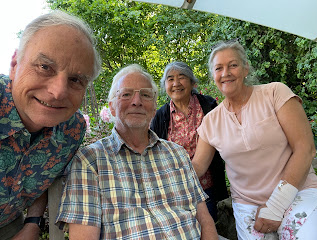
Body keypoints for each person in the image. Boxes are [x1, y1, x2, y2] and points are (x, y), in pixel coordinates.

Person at [56, 64, 218, 240]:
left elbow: (205, 220)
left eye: (145, 95)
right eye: (126, 94)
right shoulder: (90, 161)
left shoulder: (177, 154)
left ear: (154, 108)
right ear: (111, 107)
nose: (137, 101)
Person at [192, 40, 317, 240]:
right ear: (213, 76)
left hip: (298, 192)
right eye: (219, 68)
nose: (225, 73)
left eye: (233, 65)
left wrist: (276, 205)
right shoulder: (210, 121)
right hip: (248, 204)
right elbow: (197, 167)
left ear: (245, 68)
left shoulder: (275, 93)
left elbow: (306, 148)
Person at [0, 10, 101, 240]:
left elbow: (47, 177)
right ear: (15, 64)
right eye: (45, 67)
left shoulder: (72, 130)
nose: (58, 92)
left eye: (75, 80)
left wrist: (33, 222)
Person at [150, 61, 228, 221]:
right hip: (174, 191)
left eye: (182, 77)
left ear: (192, 82)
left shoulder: (209, 106)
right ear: (165, 85)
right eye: (170, 79)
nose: (176, 83)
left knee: (207, 229)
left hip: (207, 188)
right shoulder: (161, 116)